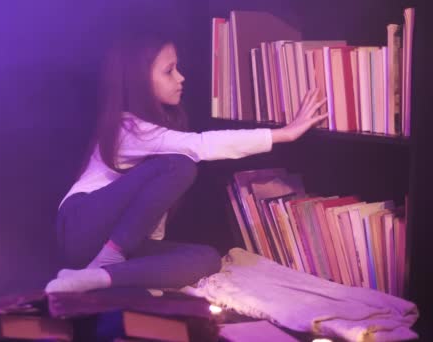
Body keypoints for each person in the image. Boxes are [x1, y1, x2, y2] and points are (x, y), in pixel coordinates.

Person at [45, 33, 327, 293]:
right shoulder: (126, 128)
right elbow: (202, 145)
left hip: (110, 241)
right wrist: (285, 134)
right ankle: (108, 262)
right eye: (169, 71)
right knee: (179, 165)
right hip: (80, 225)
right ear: (139, 79)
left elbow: (148, 213)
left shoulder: (155, 129)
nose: (181, 78)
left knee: (206, 258)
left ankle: (97, 277)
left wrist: (150, 271)